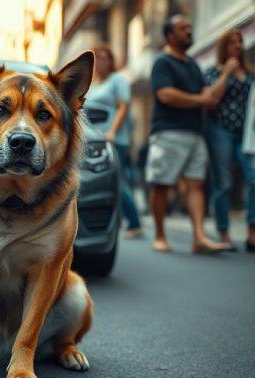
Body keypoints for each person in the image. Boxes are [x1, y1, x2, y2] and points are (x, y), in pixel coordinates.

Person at [145, 15, 234, 254]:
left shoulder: (193, 64)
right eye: (183, 28)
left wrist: (224, 75)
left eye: (189, 27)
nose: (189, 31)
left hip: (195, 133)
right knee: (162, 184)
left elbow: (209, 96)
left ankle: (199, 237)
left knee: (196, 184)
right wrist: (200, 100)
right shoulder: (163, 62)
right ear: (170, 35)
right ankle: (160, 235)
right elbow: (165, 95)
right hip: (168, 132)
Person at [204, 30, 255, 252]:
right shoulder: (214, 72)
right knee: (223, 183)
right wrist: (226, 74)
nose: (238, 45)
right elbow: (212, 99)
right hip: (220, 131)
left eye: (241, 41)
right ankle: (223, 234)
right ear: (224, 48)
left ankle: (253, 232)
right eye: (232, 42)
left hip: (247, 135)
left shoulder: (251, 73)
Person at [88, 46, 143, 239]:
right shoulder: (93, 85)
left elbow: (123, 107)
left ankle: (135, 223)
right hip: (93, 141)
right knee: (102, 181)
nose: (101, 61)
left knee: (117, 181)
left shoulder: (118, 79)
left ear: (112, 61)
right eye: (98, 58)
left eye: (105, 58)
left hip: (114, 140)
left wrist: (111, 131)